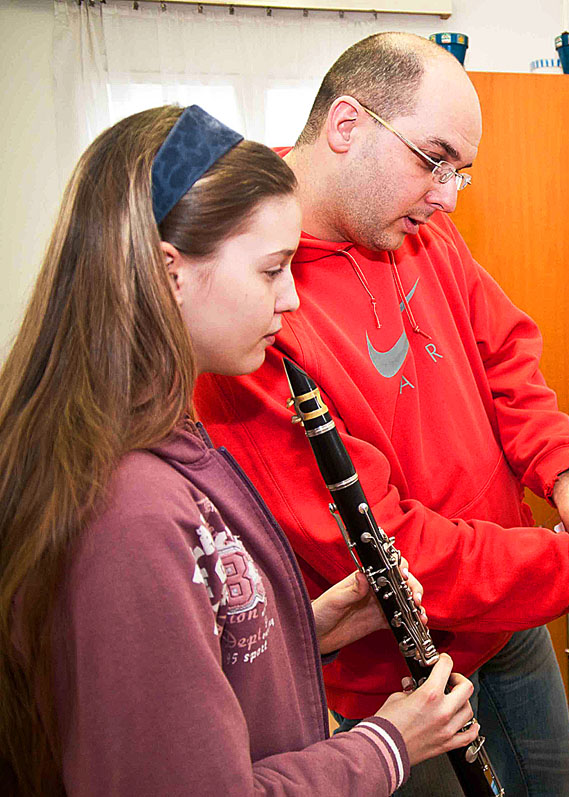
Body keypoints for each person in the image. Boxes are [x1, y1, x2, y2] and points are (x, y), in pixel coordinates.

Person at [193, 32, 569, 796]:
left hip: (507, 606)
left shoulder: (417, 227)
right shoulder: (252, 318)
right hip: (390, 678)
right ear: (347, 127)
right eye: (434, 160)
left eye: (460, 173)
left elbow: (506, 352)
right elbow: (399, 547)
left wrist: (567, 477)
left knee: (556, 780)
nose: (447, 196)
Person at [0, 105, 479, 795]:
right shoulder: (128, 512)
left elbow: (181, 671)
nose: (290, 300)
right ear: (170, 273)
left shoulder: (159, 434)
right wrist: (390, 741)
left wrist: (311, 626)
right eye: (272, 269)